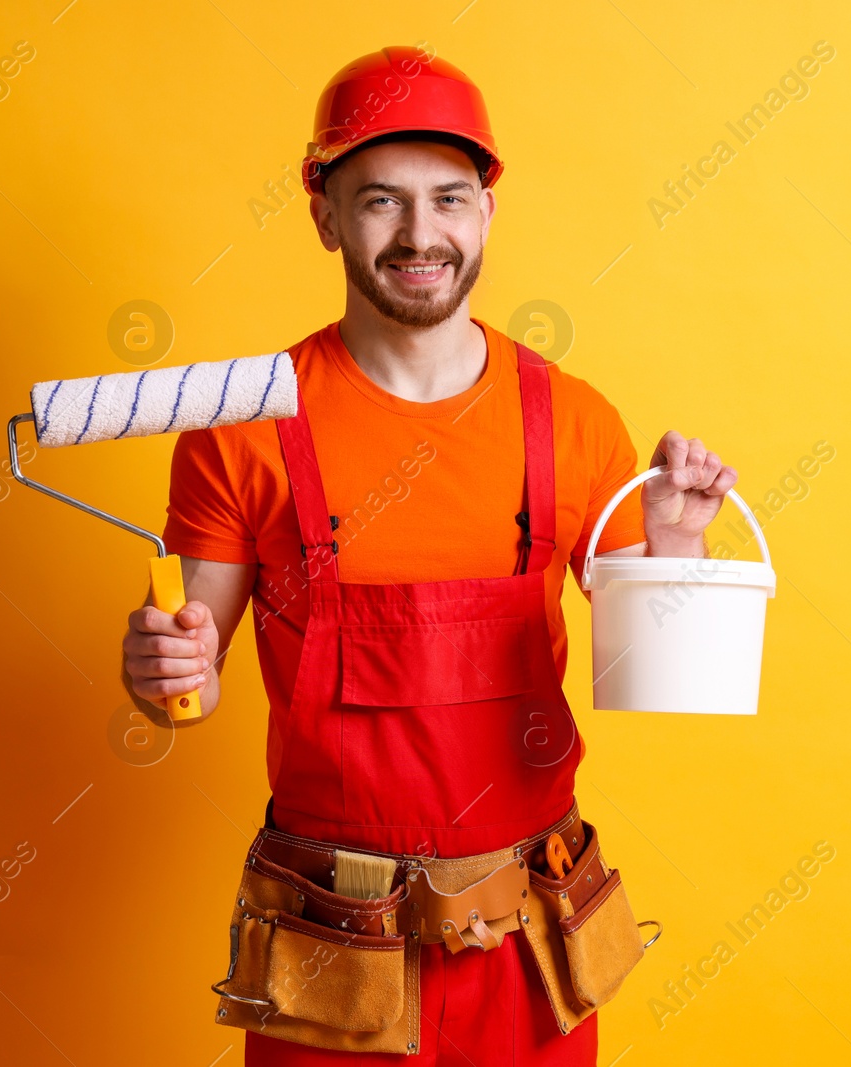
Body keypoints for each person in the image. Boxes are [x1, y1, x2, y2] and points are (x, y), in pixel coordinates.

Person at [120, 46, 736, 1065]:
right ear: (323, 214)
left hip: (530, 943)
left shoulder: (574, 424)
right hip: (333, 946)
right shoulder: (242, 429)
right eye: (380, 201)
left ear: (486, 211)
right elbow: (186, 679)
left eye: (449, 197)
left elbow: (656, 676)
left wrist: (675, 541)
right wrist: (162, 673)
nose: (421, 235)